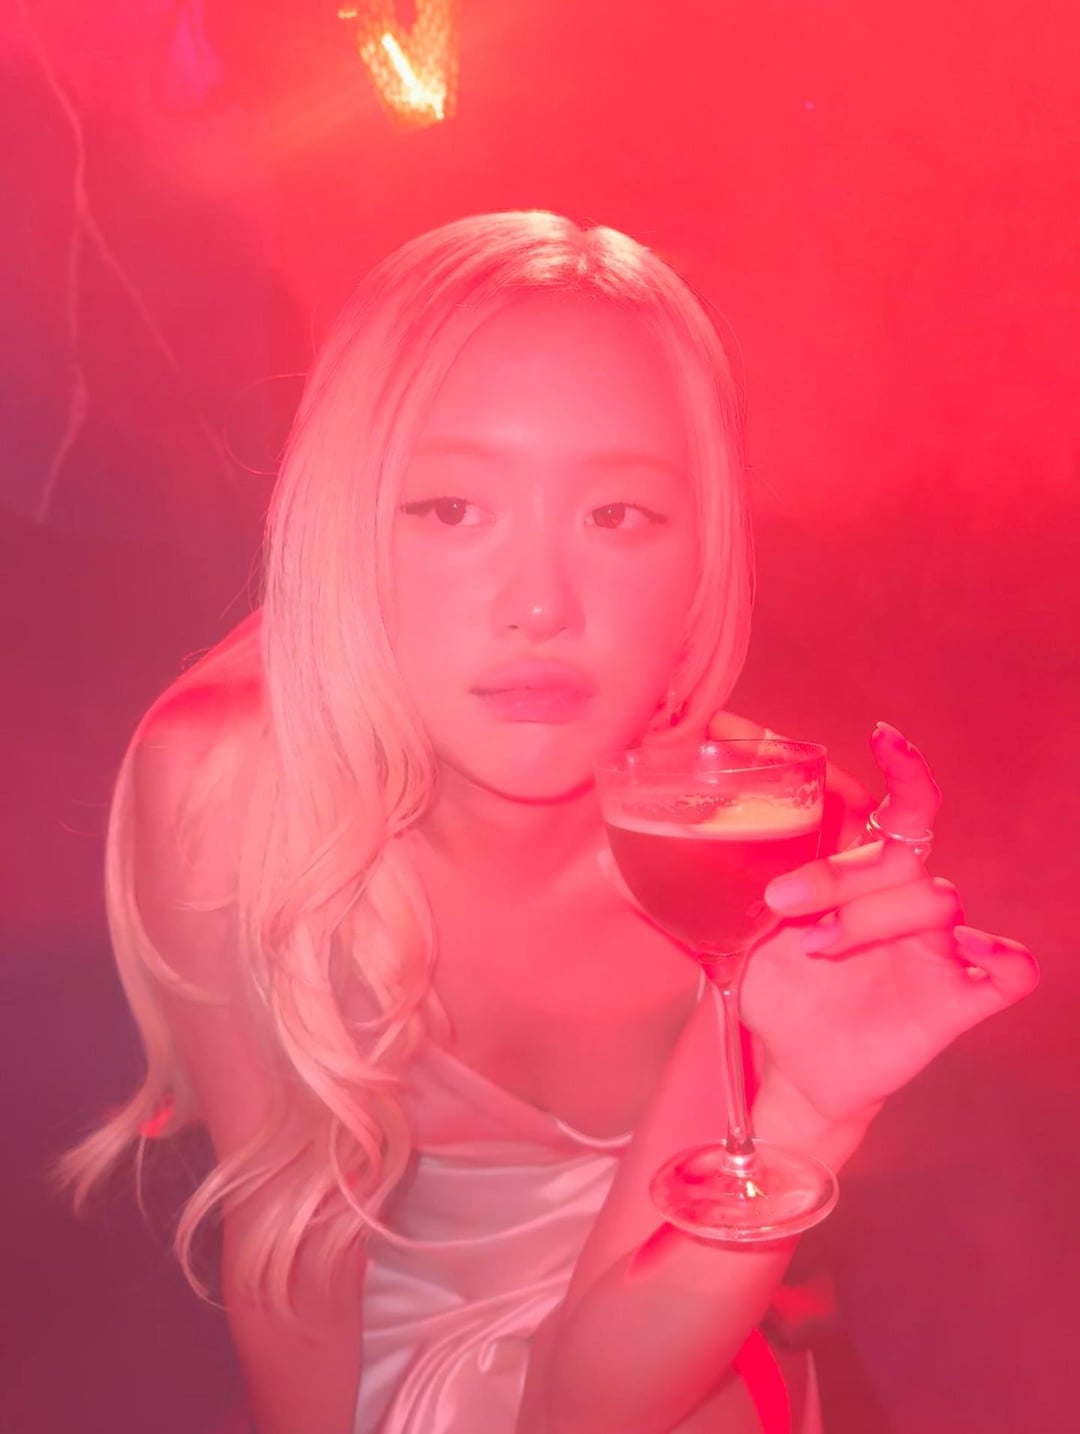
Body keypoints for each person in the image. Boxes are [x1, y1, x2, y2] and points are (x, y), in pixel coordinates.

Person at [57, 211, 1039, 1434]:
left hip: (653, 1364)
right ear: (341, 528)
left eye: (617, 516)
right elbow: (292, 1277)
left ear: (704, 556)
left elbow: (591, 1399)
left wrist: (811, 1116)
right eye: (449, 508)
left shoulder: (771, 850)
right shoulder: (225, 783)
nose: (539, 605)